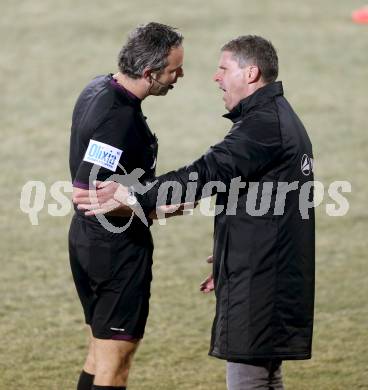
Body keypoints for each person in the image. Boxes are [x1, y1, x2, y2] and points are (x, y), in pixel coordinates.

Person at [74, 35, 315, 390]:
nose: (214, 77)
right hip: (262, 269)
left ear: (250, 73)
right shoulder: (271, 118)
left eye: (223, 69)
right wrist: (228, 257)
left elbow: (206, 173)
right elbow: (263, 202)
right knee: (259, 375)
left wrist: (135, 196)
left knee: (250, 379)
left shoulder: (264, 126)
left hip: (265, 277)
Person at [69, 22, 184, 390]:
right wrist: (155, 209)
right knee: (115, 364)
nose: (179, 75)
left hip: (89, 244)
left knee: (100, 354)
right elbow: (89, 195)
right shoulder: (118, 118)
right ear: (149, 74)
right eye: (173, 70)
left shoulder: (100, 87)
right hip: (115, 252)